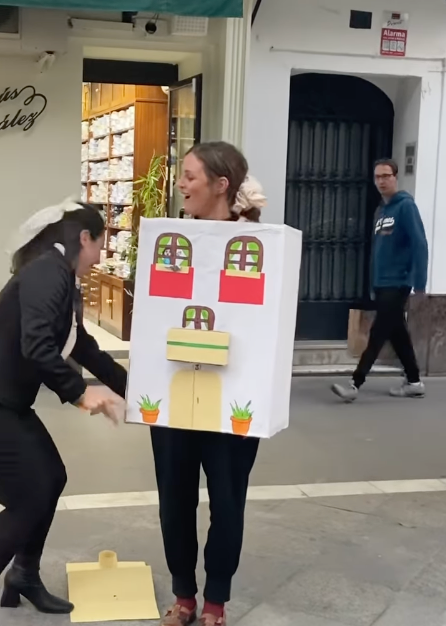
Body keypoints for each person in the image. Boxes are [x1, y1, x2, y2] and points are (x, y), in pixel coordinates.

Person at [0, 201, 128, 626]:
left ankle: (23, 576)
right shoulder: (48, 271)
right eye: (102, 243)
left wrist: (131, 387)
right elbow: (37, 344)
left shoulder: (59, 276)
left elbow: (83, 347)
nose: (102, 255)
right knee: (29, 496)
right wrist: (80, 393)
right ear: (84, 238)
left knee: (51, 479)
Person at [155, 141, 266, 626]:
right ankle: (183, 596)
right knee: (174, 500)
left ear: (221, 186)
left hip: (233, 401)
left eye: (191, 176)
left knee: (227, 501)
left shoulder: (261, 247)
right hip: (176, 393)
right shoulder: (172, 242)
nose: (181, 183)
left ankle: (215, 602)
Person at [332, 158, 428, 403]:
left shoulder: (406, 207)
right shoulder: (381, 211)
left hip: (399, 281)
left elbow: (420, 244)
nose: (382, 181)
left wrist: (419, 284)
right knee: (397, 333)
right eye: (378, 177)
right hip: (382, 283)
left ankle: (355, 383)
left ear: (396, 177)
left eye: (386, 176)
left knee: (377, 334)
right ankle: (414, 381)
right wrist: (373, 285)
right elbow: (377, 251)